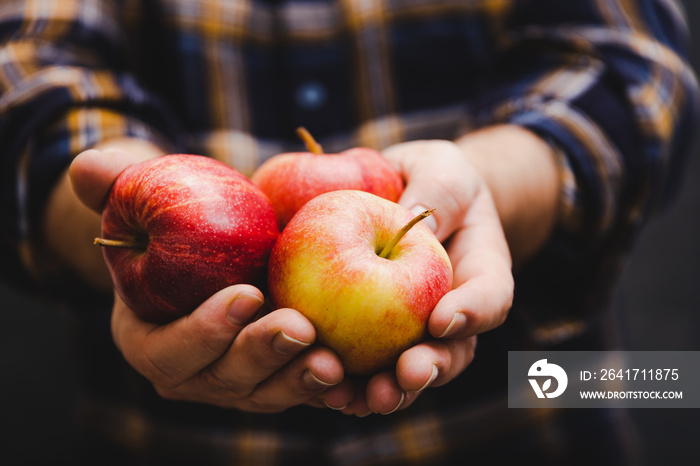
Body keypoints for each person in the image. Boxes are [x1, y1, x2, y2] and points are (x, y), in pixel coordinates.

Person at [1, 0, 697, 464]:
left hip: (532, 412)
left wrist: (493, 183)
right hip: (170, 436)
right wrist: (113, 225)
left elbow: (636, 69)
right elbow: (25, 63)